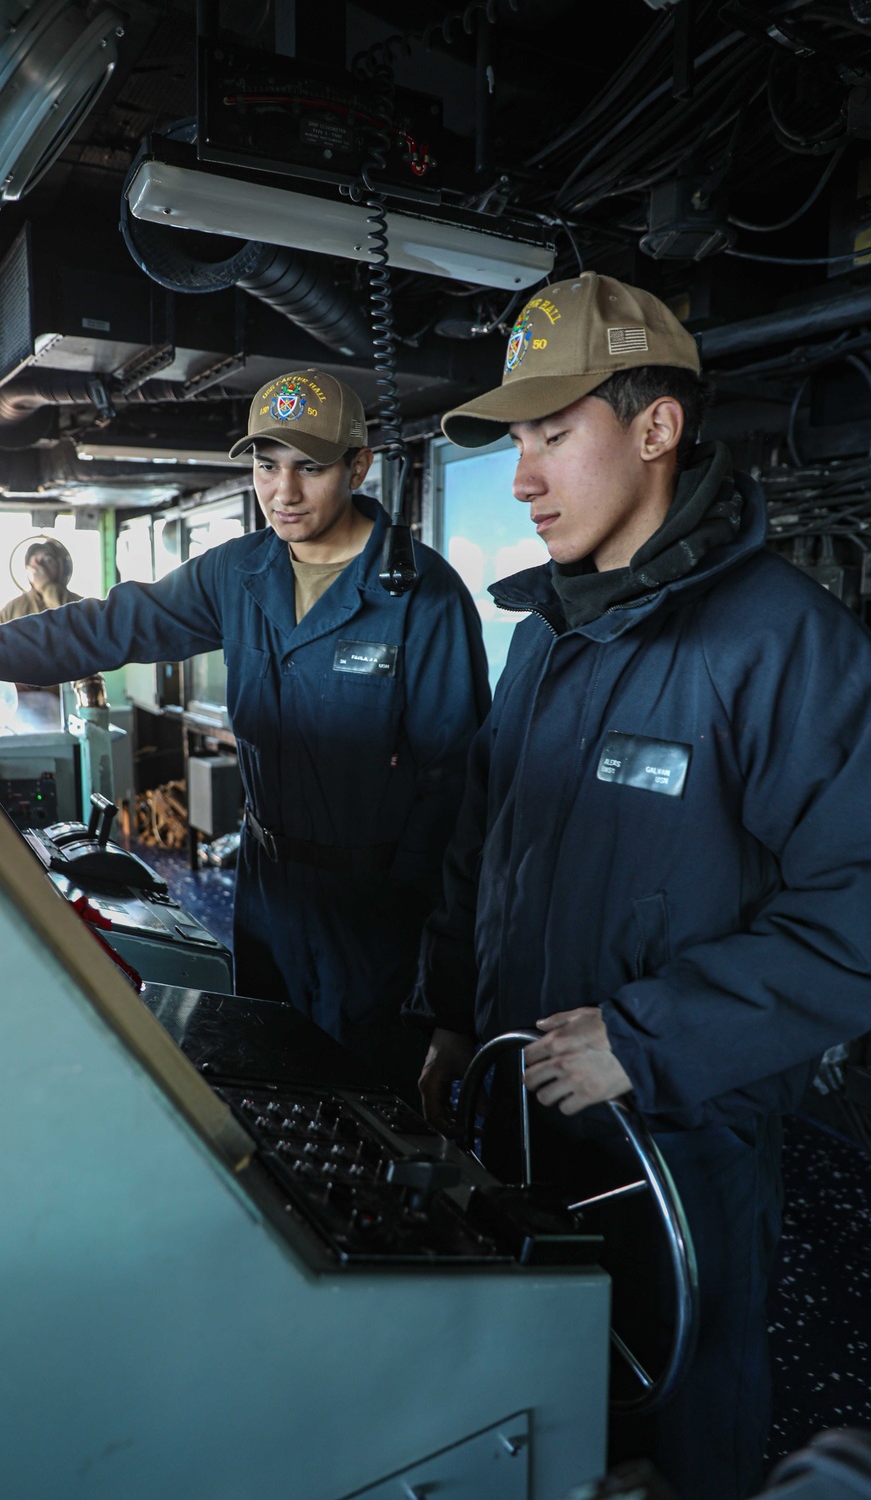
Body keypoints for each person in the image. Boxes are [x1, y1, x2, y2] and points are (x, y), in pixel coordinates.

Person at [406, 271, 871, 1500]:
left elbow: (857, 910)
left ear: (657, 428)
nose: (520, 479)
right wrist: (454, 1016)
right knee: (540, 1413)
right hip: (517, 1110)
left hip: (682, 1134)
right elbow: (480, 846)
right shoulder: (539, 637)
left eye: (553, 436)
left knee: (684, 1417)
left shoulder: (783, 646)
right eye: (516, 442)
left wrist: (649, 1037)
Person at [0, 368, 490, 1101]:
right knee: (270, 1081)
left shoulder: (420, 592)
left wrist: (448, 994)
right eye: (266, 467)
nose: (283, 493)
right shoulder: (240, 572)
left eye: (309, 467)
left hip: (378, 911)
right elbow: (100, 628)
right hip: (266, 894)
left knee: (373, 1102)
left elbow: (460, 796)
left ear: (359, 466)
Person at [0, 537, 81, 623]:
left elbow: (74, 623)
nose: (41, 567)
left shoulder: (79, 604)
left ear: (60, 568)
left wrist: (46, 586)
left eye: (48, 560)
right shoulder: (11, 610)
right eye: (35, 560)